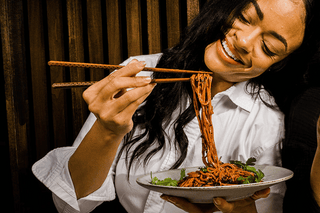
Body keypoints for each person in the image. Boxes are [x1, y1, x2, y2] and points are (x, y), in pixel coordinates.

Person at [32, 0, 320, 212]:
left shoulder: (267, 122)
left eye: (268, 47)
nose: (244, 41)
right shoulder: (138, 73)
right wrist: (108, 131)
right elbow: (71, 206)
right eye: (244, 17)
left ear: (277, 65)